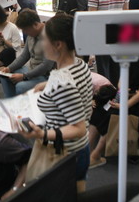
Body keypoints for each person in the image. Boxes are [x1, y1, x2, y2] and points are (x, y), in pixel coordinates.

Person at [19, 13, 93, 191]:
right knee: (76, 196)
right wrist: (46, 85)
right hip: (79, 149)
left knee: (62, 201)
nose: (42, 45)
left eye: (45, 40)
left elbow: (78, 128)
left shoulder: (63, 82)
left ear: (58, 44)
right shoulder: (79, 64)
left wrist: (42, 134)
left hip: (65, 153)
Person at [88, 54, 139, 168]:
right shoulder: (128, 56)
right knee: (100, 109)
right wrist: (122, 91)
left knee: (113, 116)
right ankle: (87, 151)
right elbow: (121, 81)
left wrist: (123, 105)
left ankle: (95, 156)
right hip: (128, 97)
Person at [88, 0, 129, 79]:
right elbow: (126, 11)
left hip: (102, 34)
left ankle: (106, 92)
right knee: (116, 70)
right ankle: (116, 91)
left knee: (103, 71)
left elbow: (92, 16)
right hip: (118, 32)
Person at [0, 9, 55, 97]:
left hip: (46, 76)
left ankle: (19, 103)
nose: (24, 32)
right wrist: (9, 68)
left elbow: (46, 65)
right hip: (31, 70)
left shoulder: (50, 36)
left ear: (35, 25)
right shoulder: (31, 35)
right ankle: (11, 102)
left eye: (25, 29)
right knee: (4, 76)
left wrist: (24, 76)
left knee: (20, 87)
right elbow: (24, 56)